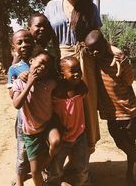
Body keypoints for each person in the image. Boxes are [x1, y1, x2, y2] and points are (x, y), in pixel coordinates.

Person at [45, 0, 116, 152]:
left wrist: (113, 50)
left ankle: (83, 161)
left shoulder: (90, 8)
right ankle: (57, 160)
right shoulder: (52, 6)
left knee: (85, 107)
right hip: (59, 63)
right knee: (60, 107)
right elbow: (43, 36)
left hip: (85, 65)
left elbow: (97, 37)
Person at [85, 30, 136, 186]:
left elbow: (129, 81)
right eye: (92, 49)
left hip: (126, 108)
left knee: (126, 143)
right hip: (111, 111)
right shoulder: (94, 61)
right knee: (123, 143)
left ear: (104, 44)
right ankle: (134, 172)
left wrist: (124, 64)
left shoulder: (118, 60)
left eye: (98, 47)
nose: (95, 52)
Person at [12, 50, 61, 186]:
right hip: (31, 130)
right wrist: (29, 83)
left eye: (47, 66)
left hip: (48, 124)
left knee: (56, 141)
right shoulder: (19, 83)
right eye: (41, 62)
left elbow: (61, 82)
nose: (43, 67)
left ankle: (46, 163)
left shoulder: (50, 83)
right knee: (34, 172)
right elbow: (16, 104)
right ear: (31, 61)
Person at [47, 56, 91, 186]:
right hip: (63, 137)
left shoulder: (81, 87)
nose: (77, 74)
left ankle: (83, 183)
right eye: (72, 71)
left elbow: (85, 91)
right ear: (62, 74)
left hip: (79, 135)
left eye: (79, 70)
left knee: (82, 166)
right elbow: (50, 110)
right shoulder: (57, 90)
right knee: (56, 169)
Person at [7, 29, 34, 186]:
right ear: (14, 47)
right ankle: (20, 176)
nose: (24, 45)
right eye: (19, 43)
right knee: (22, 149)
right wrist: (21, 81)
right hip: (23, 118)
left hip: (41, 114)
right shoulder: (14, 69)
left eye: (27, 41)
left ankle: (40, 170)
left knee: (40, 147)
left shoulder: (41, 61)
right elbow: (12, 95)